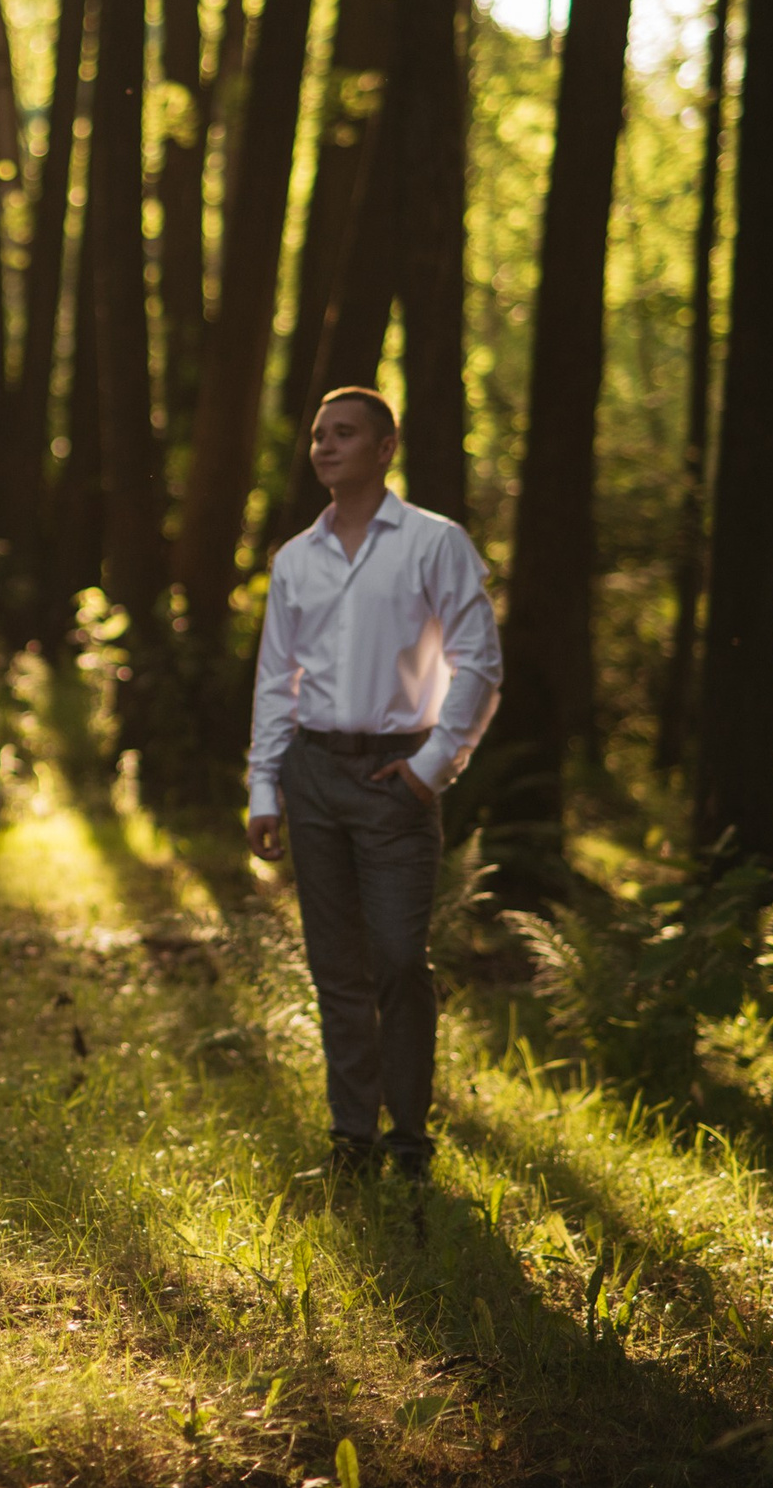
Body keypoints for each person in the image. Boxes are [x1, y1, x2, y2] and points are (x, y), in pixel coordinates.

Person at [245, 388, 501, 1181]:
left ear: (385, 447)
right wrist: (264, 788)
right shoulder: (295, 559)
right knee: (337, 968)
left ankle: (409, 1140)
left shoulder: (434, 543)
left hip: (397, 776)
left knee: (397, 958)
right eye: (319, 434)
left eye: (344, 433)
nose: (325, 446)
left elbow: (479, 665)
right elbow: (274, 681)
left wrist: (431, 772)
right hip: (312, 774)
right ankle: (352, 1140)